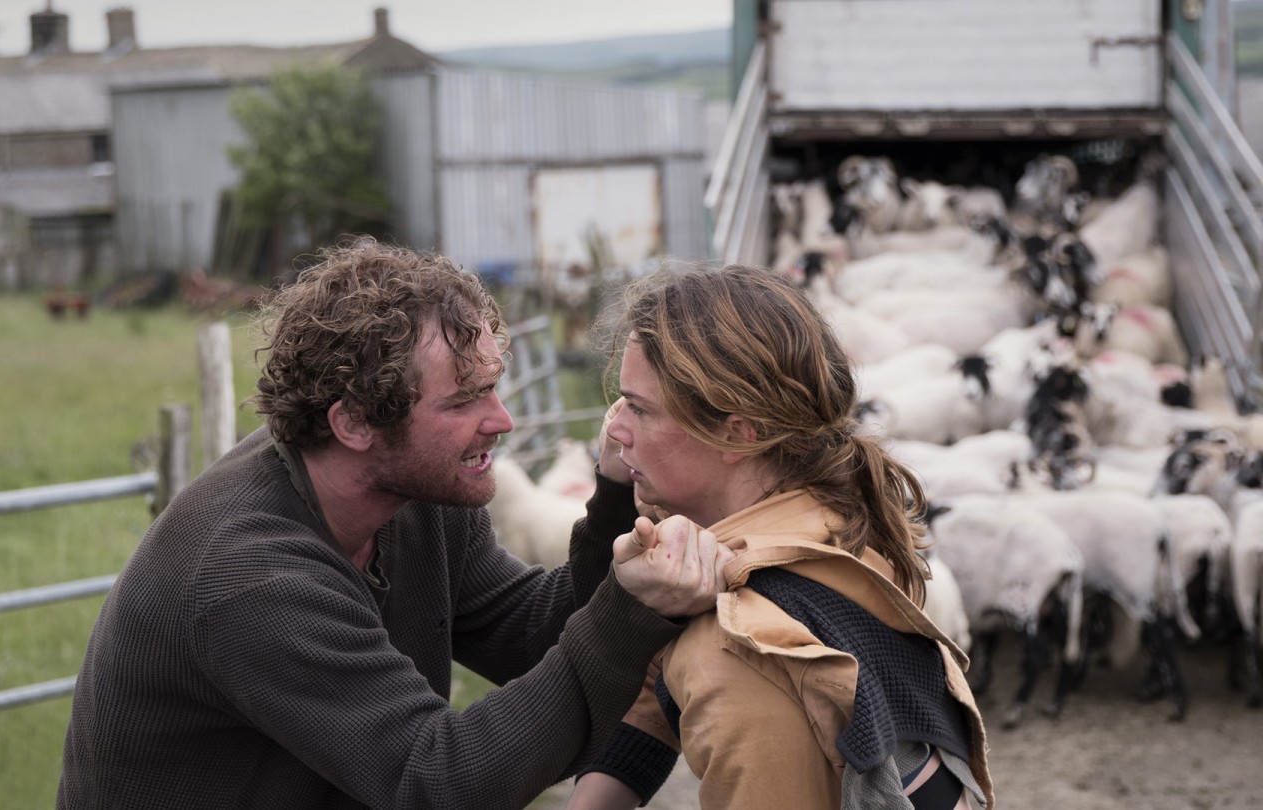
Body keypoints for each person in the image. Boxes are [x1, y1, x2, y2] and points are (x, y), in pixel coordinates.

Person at [56, 239, 732, 809]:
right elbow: (436, 781)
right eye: (466, 399)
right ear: (353, 421)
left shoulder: (412, 499)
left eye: (494, 385)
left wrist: (616, 498)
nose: (503, 421)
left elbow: (532, 634)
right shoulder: (249, 576)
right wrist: (630, 608)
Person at [566, 263, 994, 809]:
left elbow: (726, 670)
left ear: (737, 433)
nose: (614, 429)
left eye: (640, 409)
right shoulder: (842, 523)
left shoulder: (738, 647)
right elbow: (656, 689)